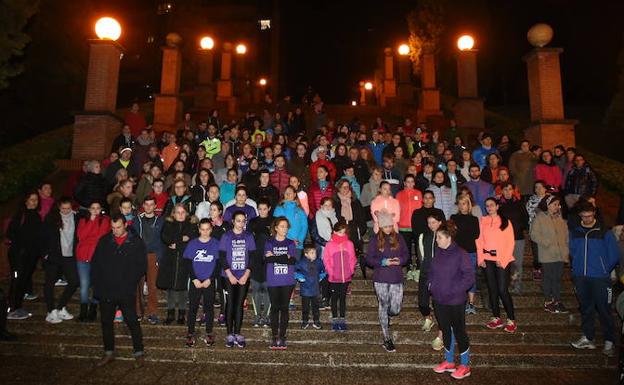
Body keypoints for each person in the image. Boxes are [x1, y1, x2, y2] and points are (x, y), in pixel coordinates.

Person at [91, 214, 147, 368]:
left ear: (125, 225)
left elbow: (141, 266)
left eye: (118, 227)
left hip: (125, 290)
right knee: (106, 322)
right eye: (113, 228)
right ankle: (108, 352)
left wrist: (129, 281)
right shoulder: (104, 241)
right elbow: (96, 264)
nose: (115, 231)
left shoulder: (135, 242)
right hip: (106, 290)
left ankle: (139, 353)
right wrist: (98, 284)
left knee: (132, 321)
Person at [569, 202, 620, 357]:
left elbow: (614, 255)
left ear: (594, 214)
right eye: (584, 216)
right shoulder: (576, 231)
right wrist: (576, 268)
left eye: (590, 215)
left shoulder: (605, 232)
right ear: (580, 216)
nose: (587, 218)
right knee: (586, 308)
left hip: (600, 278)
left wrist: (604, 269)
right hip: (581, 277)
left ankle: (609, 341)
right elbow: (572, 251)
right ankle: (588, 337)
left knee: (604, 310)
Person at [429, 221, 475, 380]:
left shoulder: (461, 253)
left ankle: (465, 364)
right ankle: (449, 362)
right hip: (438, 299)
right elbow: (432, 272)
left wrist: (453, 289)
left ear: (448, 238)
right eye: (437, 238)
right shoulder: (438, 252)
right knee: (445, 329)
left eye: (439, 238)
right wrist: (431, 285)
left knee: (460, 331)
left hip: (455, 300)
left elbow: (469, 277)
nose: (437, 240)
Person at [366, 211, 409, 352]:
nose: (389, 229)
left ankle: (388, 316)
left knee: (395, 309)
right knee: (383, 306)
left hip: (396, 277)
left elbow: (406, 255)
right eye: (386, 226)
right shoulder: (374, 239)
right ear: (380, 227)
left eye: (390, 226)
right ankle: (386, 338)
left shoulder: (399, 237)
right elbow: (369, 259)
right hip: (381, 278)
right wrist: (383, 261)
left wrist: (400, 260)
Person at [476, 198, 517, 333]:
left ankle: (511, 319)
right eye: (487, 206)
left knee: (502, 290)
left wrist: (503, 259)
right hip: (487, 259)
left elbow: (510, 243)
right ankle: (496, 317)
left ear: (497, 206)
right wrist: (480, 258)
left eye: (492, 205)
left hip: (502, 260)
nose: (489, 208)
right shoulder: (483, 221)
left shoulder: (505, 222)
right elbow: (479, 240)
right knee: (492, 289)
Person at [219, 211, 255, 348]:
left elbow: (252, 256)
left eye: (243, 221)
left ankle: (238, 333)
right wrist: (230, 274)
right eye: (238, 220)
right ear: (233, 221)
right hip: (228, 276)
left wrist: (246, 274)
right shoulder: (226, 235)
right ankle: (229, 334)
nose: (240, 223)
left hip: (243, 276)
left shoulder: (249, 236)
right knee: (230, 304)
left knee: (239, 304)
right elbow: (222, 256)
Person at [157, 203, 197, 325]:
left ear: (187, 214)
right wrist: (182, 239)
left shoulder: (191, 226)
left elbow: (192, 241)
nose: (180, 215)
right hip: (170, 260)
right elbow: (166, 238)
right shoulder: (168, 224)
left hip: (185, 261)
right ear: (173, 214)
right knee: (171, 289)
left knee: (183, 289)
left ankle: (181, 314)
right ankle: (170, 314)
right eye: (178, 212)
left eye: (183, 212)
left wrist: (178, 243)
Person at [6, 192, 43, 320]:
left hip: (30, 256)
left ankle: (17, 306)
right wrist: (21, 248)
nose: (34, 202)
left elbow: (38, 237)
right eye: (31, 199)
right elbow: (11, 233)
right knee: (17, 281)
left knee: (23, 281)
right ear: (25, 201)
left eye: (36, 200)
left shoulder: (36, 216)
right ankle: (11, 309)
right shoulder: (20, 215)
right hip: (18, 255)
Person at [42, 197, 79, 324]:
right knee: (49, 282)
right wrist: (46, 253)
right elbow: (44, 236)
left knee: (74, 281)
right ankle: (50, 310)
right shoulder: (51, 218)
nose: (66, 211)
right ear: (59, 207)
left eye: (68, 208)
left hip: (69, 255)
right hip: (54, 255)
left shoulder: (76, 217)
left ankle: (60, 307)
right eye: (63, 208)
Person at [529, 195, 569, 313]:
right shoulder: (540, 218)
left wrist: (566, 250)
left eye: (558, 204)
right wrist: (545, 242)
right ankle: (548, 301)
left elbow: (566, 237)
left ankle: (557, 300)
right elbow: (533, 234)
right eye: (554, 204)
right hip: (547, 254)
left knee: (557, 278)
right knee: (548, 278)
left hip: (560, 254)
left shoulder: (560, 219)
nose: (557, 207)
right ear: (547, 205)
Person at [183, 219, 219, 347]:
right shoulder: (193, 243)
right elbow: (187, 262)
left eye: (207, 229)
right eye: (202, 229)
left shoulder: (215, 243)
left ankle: (209, 332)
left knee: (208, 308)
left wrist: (211, 278)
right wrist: (194, 279)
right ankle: (190, 332)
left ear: (211, 229)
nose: (205, 232)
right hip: (195, 281)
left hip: (209, 280)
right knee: (193, 307)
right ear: (199, 229)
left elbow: (218, 263)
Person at [264, 217, 298, 349]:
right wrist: (284, 257)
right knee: (274, 308)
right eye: (282, 226)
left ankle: (282, 336)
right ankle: (274, 336)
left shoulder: (290, 243)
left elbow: (292, 261)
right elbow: (267, 260)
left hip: (287, 281)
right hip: (273, 280)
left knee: (284, 308)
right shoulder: (269, 242)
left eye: (286, 227)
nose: (285, 229)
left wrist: (274, 257)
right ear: (276, 228)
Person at [74, 201, 111, 322]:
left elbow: (102, 236)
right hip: (83, 256)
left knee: (97, 284)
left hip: (97, 257)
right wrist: (91, 221)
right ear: (89, 209)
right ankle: (83, 311)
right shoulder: (83, 220)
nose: (95, 211)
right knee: (84, 285)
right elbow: (81, 235)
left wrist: (90, 235)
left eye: (97, 208)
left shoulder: (105, 220)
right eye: (93, 208)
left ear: (101, 209)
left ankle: (93, 310)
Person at [132, 196, 165, 325]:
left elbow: (162, 240)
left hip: (153, 256)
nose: (149, 207)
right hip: (139, 255)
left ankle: (152, 313)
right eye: (146, 204)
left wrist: (158, 256)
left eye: (151, 204)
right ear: (143, 206)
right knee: (137, 285)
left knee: (152, 285)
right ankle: (138, 312)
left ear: (155, 206)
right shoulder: (137, 220)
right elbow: (133, 239)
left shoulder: (160, 221)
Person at [323, 221, 357, 331]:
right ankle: (334, 319)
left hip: (345, 277)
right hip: (334, 277)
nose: (342, 235)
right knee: (334, 298)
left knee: (342, 298)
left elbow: (352, 258)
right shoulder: (329, 244)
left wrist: (350, 270)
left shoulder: (349, 244)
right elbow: (326, 260)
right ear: (334, 232)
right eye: (339, 232)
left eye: (343, 232)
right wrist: (331, 271)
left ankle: (342, 320)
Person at [416, 212, 445, 338]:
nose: (431, 225)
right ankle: (428, 318)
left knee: (438, 303)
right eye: (429, 222)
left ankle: (442, 329)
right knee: (422, 303)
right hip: (426, 273)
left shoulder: (445, 236)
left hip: (440, 275)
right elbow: (421, 254)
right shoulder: (423, 236)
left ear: (440, 223)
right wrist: (422, 269)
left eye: (434, 222)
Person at [451, 195, 480, 314]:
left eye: (465, 203)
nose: (462, 206)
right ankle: (459, 301)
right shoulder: (453, 218)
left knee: (470, 277)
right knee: (457, 276)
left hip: (470, 252)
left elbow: (476, 235)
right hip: (457, 252)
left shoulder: (474, 219)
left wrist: (461, 231)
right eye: (460, 203)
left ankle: (471, 303)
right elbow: (451, 234)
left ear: (469, 205)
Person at [498, 183, 529, 294]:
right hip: (503, 240)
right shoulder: (498, 205)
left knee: (517, 263)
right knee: (505, 264)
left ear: (513, 191)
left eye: (510, 189)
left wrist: (520, 227)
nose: (507, 192)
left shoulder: (519, 204)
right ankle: (505, 285)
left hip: (518, 238)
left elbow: (526, 219)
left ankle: (517, 286)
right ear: (501, 191)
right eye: (505, 189)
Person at [248, 200, 273, 328]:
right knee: (256, 288)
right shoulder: (252, 222)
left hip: (269, 259)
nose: (262, 211)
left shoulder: (274, 221)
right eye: (260, 208)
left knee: (268, 289)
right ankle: (257, 316)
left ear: (269, 208)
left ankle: (267, 316)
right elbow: (248, 239)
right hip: (255, 259)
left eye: (264, 208)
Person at [273, 186, 308, 259]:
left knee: (295, 266)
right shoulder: (279, 208)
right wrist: (290, 240)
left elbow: (304, 226)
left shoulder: (300, 210)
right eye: (286, 193)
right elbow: (277, 226)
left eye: (290, 192)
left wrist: (299, 240)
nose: (288, 194)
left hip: (297, 245)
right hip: (283, 243)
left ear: (295, 194)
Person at [295, 247, 325, 330]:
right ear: (306, 254)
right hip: (305, 289)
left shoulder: (318, 262)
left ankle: (316, 321)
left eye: (315, 253)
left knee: (316, 307)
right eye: (312, 253)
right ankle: (305, 321)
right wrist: (299, 276)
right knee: (305, 307)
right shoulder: (301, 263)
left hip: (315, 288)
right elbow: (295, 270)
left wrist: (322, 276)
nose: (314, 254)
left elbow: (323, 270)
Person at [396, 175, 423, 268]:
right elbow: (397, 210)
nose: (410, 183)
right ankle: (408, 269)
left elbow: (421, 209)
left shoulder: (419, 193)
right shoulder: (399, 194)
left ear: (414, 183)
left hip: (417, 226)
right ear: (404, 183)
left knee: (418, 249)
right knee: (406, 250)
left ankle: (419, 268)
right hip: (403, 226)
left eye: (412, 181)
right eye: (408, 181)